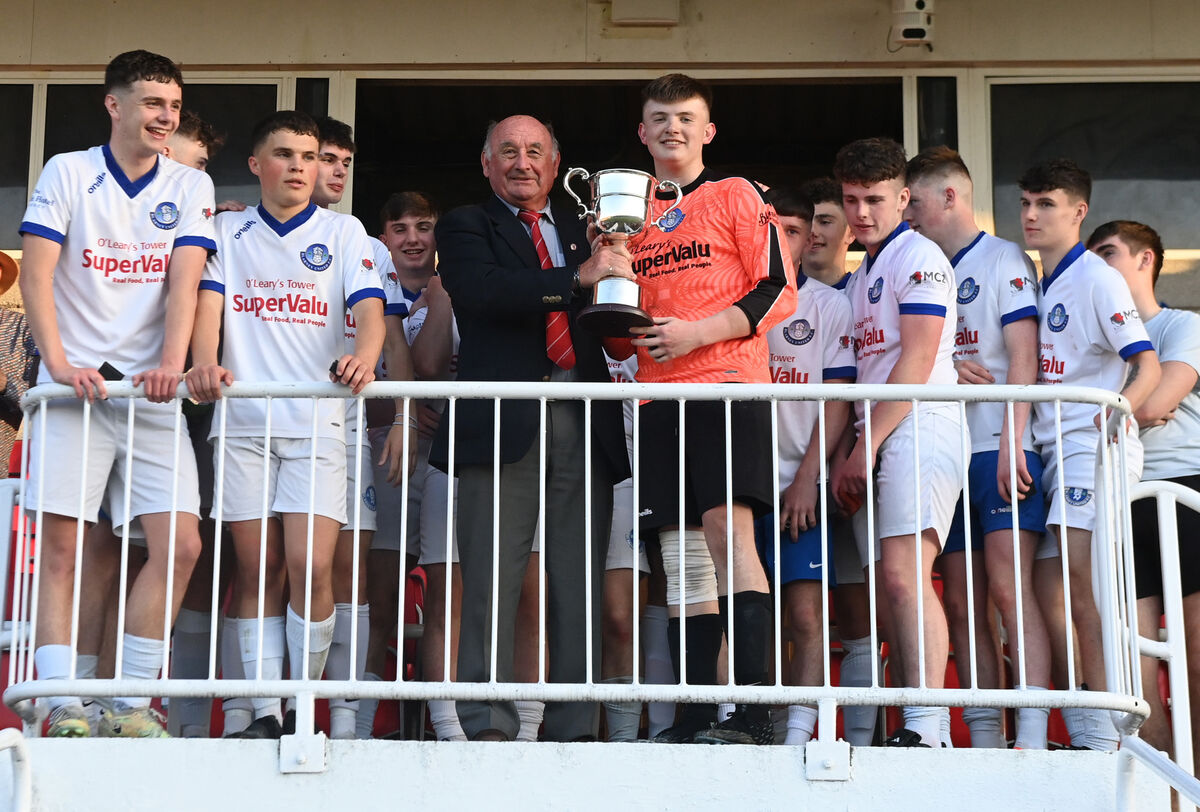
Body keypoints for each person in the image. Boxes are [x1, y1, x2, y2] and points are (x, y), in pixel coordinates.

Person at [18, 49, 215, 738]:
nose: (166, 117)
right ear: (115, 105)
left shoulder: (190, 185)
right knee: (66, 548)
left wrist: (170, 362)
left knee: (182, 544)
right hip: (75, 390)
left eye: (173, 105)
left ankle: (130, 700)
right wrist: (61, 362)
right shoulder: (68, 170)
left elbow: (184, 282)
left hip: (149, 396)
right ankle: (57, 699)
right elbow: (37, 277)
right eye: (154, 103)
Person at [431, 114, 632, 742]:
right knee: (492, 575)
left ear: (557, 162)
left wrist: (614, 275)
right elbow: (483, 292)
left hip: (583, 410)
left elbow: (613, 310)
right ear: (487, 163)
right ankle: (488, 724)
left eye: (535, 152)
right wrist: (575, 279)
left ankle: (575, 725)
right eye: (509, 152)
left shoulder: (587, 228)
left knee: (579, 578)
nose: (523, 163)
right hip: (502, 416)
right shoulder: (467, 224)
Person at [186, 110, 386, 740]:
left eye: (308, 156)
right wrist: (202, 365)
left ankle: (304, 700)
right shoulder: (227, 230)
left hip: (319, 421)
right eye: (284, 154)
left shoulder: (345, 230)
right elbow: (208, 307)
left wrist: (366, 357)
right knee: (256, 570)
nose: (299, 167)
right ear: (256, 165)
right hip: (244, 422)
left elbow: (371, 311)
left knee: (312, 567)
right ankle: (267, 709)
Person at [619, 73, 796, 745]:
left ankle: (752, 714)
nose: (673, 127)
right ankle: (693, 716)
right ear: (642, 131)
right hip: (658, 395)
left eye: (686, 117)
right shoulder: (628, 212)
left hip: (727, 385)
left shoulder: (734, 193)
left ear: (708, 130)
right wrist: (604, 265)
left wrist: (700, 331)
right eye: (660, 117)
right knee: (681, 559)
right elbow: (617, 325)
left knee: (728, 539)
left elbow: (780, 290)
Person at [905, 146, 1050, 749]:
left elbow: (1025, 357)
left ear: (949, 197)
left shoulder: (1003, 258)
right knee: (962, 599)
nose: (906, 214)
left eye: (913, 200)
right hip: (947, 447)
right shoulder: (921, 264)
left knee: (1008, 588)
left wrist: (1015, 439)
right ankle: (985, 731)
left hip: (998, 444)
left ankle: (1036, 729)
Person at [1019, 159, 1160, 751]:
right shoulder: (1037, 278)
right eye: (1025, 202)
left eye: (1045, 204)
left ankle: (1107, 732)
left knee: (1086, 585)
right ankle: (1085, 720)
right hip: (1052, 449)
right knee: (1050, 586)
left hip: (1089, 449)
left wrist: (1117, 411)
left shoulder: (1099, 277)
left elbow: (1146, 363)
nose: (1029, 215)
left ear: (1078, 212)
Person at [829, 136, 962, 748]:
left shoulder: (922, 256)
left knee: (908, 577)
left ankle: (928, 725)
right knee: (889, 584)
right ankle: (907, 720)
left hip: (918, 425)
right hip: (876, 436)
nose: (861, 213)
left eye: (875, 199)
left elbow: (916, 361)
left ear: (904, 198)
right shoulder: (862, 275)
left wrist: (864, 444)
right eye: (851, 199)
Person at [308, 116, 415, 740]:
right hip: (271, 429)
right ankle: (273, 711)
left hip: (350, 434)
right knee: (281, 570)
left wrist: (400, 414)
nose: (338, 170)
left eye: (345, 160)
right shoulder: (238, 230)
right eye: (328, 158)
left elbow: (393, 340)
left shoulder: (369, 248)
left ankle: (349, 721)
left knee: (353, 571)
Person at [1087, 219, 1200, 758]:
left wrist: (1135, 406)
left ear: (1145, 259)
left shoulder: (1182, 324)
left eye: (1107, 253)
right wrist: (1144, 407)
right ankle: (1164, 793)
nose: (1098, 266)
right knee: (1135, 664)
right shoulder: (1097, 337)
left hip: (1187, 493)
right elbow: (1147, 408)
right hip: (1121, 495)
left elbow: (1151, 404)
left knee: (1197, 656)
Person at [760, 186, 855, 745]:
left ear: (808, 240)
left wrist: (806, 480)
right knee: (750, 615)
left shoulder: (827, 304)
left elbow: (836, 400)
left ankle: (800, 733)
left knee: (805, 615)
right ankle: (758, 724)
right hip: (739, 486)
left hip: (799, 484)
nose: (783, 240)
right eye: (773, 229)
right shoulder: (734, 301)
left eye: (793, 231)